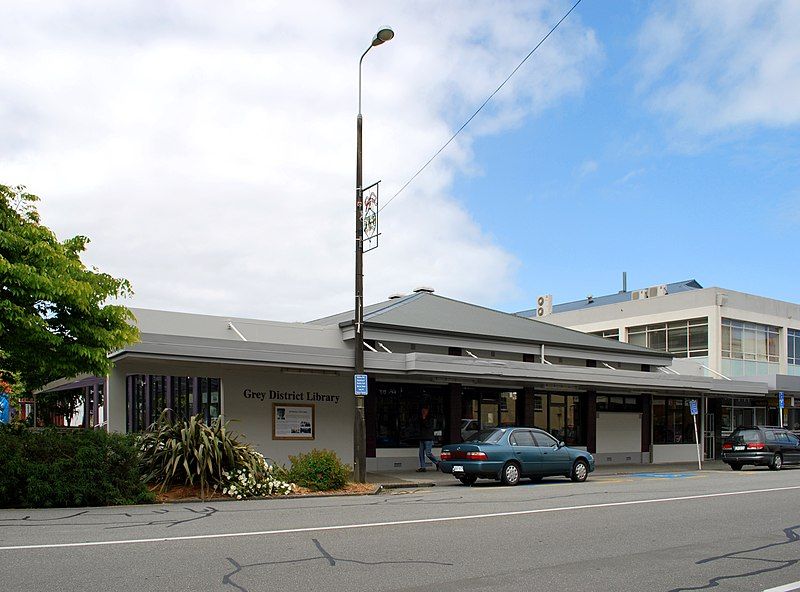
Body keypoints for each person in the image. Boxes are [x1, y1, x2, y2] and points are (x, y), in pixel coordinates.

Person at [417, 405, 438, 472]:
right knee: (421, 453)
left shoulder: (430, 418)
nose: (423, 412)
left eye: (424, 411)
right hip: (422, 437)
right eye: (422, 411)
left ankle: (438, 463)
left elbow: (427, 426)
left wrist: (424, 418)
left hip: (428, 438)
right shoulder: (421, 418)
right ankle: (423, 467)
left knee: (428, 453)